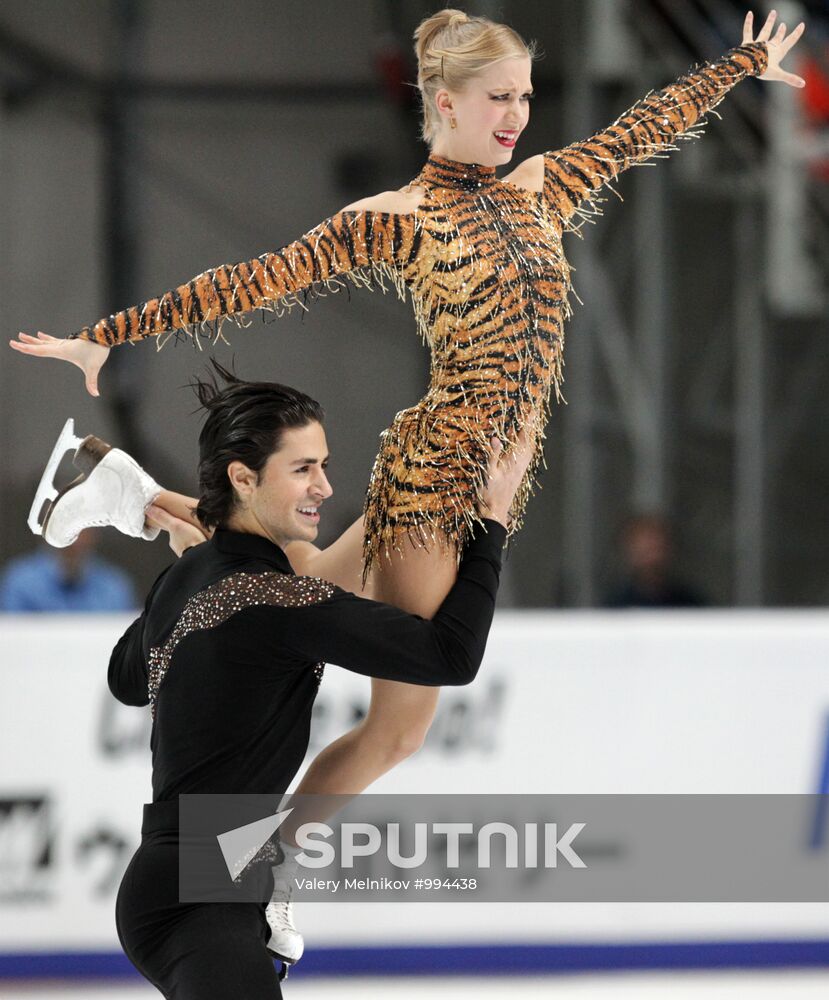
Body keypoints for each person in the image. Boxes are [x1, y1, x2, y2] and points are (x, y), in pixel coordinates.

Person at [9, 1, 805, 948]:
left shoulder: (542, 187)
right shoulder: (396, 219)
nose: (517, 115)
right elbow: (258, 278)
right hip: (441, 486)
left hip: (446, 469)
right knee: (394, 730)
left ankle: (133, 496)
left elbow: (639, 131)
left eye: (525, 96)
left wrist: (739, 64)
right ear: (442, 100)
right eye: (498, 97)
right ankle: (264, 866)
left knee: (285, 594)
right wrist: (106, 336)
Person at [106, 368, 529, 998]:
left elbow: (127, 680)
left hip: (188, 875)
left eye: (324, 465)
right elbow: (451, 655)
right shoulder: (277, 599)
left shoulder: (191, 575)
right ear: (242, 478)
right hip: (201, 893)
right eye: (302, 469)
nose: (325, 486)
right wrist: (491, 521)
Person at [0, 529, 135, 612]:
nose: (74, 537)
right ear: (47, 527)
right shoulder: (20, 582)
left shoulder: (114, 587)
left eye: (82, 526)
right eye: (66, 524)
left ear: (94, 532)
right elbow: (13, 642)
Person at [603, 513, 709, 608]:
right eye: (645, 550)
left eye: (658, 548)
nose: (653, 557)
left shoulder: (689, 603)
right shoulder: (615, 608)